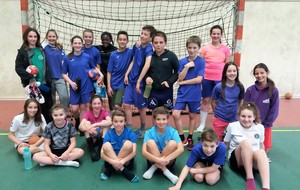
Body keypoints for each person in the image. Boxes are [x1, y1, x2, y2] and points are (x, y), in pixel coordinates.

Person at [223, 102, 270, 190]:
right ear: (239, 116)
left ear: (254, 117)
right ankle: (250, 178)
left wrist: (264, 158)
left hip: (253, 161)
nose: (246, 119)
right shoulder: (232, 126)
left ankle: (266, 187)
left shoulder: (260, 127)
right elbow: (225, 144)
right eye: (243, 116)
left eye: (249, 117)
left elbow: (261, 145)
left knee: (261, 152)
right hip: (237, 161)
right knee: (246, 143)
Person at [172, 35, 205, 151]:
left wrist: (184, 83)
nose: (192, 50)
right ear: (187, 48)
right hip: (182, 94)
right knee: (175, 114)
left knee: (192, 116)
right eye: (190, 47)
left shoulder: (201, 62)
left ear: (198, 48)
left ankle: (190, 137)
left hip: (195, 94)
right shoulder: (182, 62)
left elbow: (199, 79)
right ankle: (182, 138)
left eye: (194, 48)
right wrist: (186, 67)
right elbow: (180, 78)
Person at [123, 25, 156, 138]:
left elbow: (147, 65)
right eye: (141, 33)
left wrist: (139, 81)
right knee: (126, 104)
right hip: (131, 81)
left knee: (141, 107)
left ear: (151, 38)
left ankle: (142, 129)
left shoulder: (149, 49)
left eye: (145, 34)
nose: (142, 36)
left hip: (140, 83)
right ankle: (130, 127)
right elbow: (133, 61)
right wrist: (126, 74)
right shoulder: (136, 46)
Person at [62, 35, 101, 133]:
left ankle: (81, 127)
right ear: (72, 44)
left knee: (83, 107)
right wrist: (70, 83)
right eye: (75, 43)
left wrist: (101, 75)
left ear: (82, 45)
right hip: (74, 86)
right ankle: (78, 120)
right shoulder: (67, 58)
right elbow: (63, 73)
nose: (77, 45)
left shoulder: (87, 57)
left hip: (86, 85)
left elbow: (94, 67)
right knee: (74, 109)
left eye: (79, 43)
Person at [15, 27, 53, 123]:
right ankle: (33, 129)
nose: (33, 39)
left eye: (35, 36)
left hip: (44, 84)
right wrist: (30, 78)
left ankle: (47, 130)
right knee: (33, 109)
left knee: (47, 107)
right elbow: (18, 68)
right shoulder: (22, 52)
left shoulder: (41, 50)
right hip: (32, 85)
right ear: (26, 37)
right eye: (30, 36)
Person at [197, 25, 231, 132]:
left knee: (218, 101)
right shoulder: (205, 49)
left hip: (219, 79)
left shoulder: (225, 49)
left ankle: (218, 123)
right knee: (206, 100)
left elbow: (227, 65)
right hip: (207, 78)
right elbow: (200, 64)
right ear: (210, 34)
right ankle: (202, 124)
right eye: (214, 33)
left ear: (221, 35)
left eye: (218, 34)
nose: (216, 35)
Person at [142, 106, 184, 184]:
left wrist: (166, 159)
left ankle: (155, 167)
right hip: (153, 160)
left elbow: (181, 149)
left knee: (173, 143)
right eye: (158, 119)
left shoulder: (173, 131)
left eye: (164, 119)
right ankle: (167, 172)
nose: (161, 122)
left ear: (167, 120)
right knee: (150, 142)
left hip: (168, 161)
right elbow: (144, 152)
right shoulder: (149, 132)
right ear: (154, 120)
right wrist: (158, 160)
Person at [244, 63, 279, 154]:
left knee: (265, 147)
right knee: (250, 145)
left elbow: (274, 110)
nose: (259, 76)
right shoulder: (250, 90)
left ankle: (263, 157)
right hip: (251, 124)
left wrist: (266, 124)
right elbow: (245, 108)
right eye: (257, 73)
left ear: (267, 73)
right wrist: (250, 121)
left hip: (265, 125)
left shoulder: (274, 91)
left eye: (262, 73)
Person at [100, 108, 139, 183]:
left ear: (125, 122)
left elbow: (134, 152)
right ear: (112, 122)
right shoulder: (109, 134)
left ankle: (110, 170)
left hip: (126, 162)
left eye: (121, 121)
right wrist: (113, 162)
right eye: (116, 121)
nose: (118, 124)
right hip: (110, 162)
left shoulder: (130, 133)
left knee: (128, 144)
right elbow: (102, 153)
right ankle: (124, 171)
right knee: (106, 145)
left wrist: (122, 161)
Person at [145, 31, 179, 111]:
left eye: (161, 42)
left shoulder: (171, 55)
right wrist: (147, 78)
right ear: (152, 44)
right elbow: (145, 72)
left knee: (166, 112)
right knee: (154, 112)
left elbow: (177, 72)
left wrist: (169, 82)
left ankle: (165, 124)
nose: (158, 45)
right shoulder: (149, 56)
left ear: (165, 43)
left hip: (166, 91)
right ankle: (154, 124)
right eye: (156, 43)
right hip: (153, 90)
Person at [211, 62, 244, 141]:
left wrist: (237, 112)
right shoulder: (218, 87)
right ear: (225, 73)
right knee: (216, 141)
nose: (232, 73)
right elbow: (213, 102)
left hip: (234, 119)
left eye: (234, 71)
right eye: (229, 71)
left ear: (237, 72)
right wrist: (218, 113)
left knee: (234, 141)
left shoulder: (240, 87)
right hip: (220, 118)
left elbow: (240, 101)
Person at [79, 95, 112, 161]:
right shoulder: (88, 113)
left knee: (105, 122)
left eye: (99, 103)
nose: (97, 106)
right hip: (92, 133)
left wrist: (95, 124)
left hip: (101, 133)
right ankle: (91, 148)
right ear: (91, 105)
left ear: (102, 104)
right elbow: (80, 126)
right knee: (86, 123)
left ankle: (100, 147)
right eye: (94, 104)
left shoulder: (104, 112)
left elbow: (110, 122)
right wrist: (88, 128)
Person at [107, 31, 132, 110]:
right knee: (114, 106)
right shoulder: (113, 55)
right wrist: (109, 86)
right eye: (120, 39)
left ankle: (123, 120)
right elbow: (109, 72)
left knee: (117, 105)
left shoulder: (130, 52)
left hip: (123, 84)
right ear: (117, 41)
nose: (122, 41)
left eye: (124, 39)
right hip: (114, 83)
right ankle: (120, 120)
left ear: (127, 41)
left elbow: (140, 49)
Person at [44, 29, 69, 108]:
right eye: (50, 36)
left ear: (56, 37)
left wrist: (65, 74)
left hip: (59, 77)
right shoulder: (44, 48)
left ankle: (63, 112)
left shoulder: (60, 48)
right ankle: (53, 116)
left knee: (64, 97)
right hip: (49, 78)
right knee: (51, 99)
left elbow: (63, 61)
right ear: (47, 37)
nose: (52, 38)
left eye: (53, 36)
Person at [96, 31, 118, 111]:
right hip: (100, 77)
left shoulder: (115, 50)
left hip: (110, 77)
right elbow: (87, 48)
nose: (105, 41)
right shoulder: (97, 48)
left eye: (107, 39)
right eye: (103, 40)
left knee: (111, 97)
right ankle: (98, 114)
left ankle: (113, 114)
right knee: (99, 97)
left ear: (110, 40)